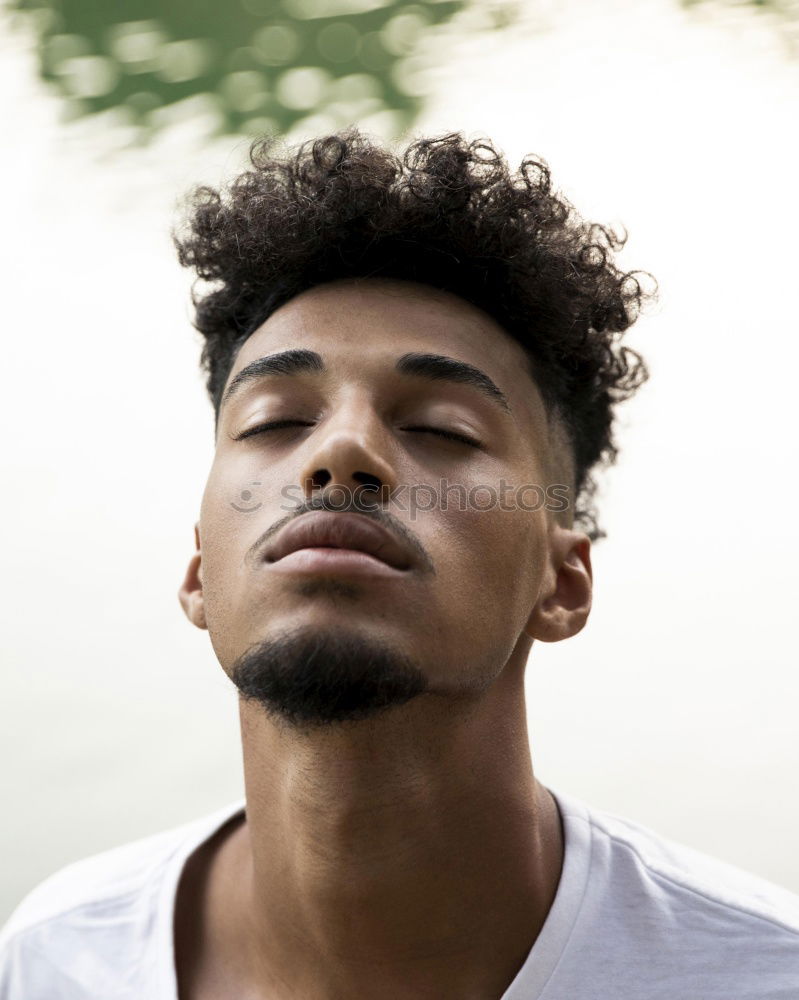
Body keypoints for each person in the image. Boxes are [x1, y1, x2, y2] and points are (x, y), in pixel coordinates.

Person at [1, 129, 797, 1000]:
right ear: (198, 572)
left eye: (441, 430)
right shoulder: (57, 957)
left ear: (561, 582)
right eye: (273, 419)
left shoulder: (759, 975)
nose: (341, 451)